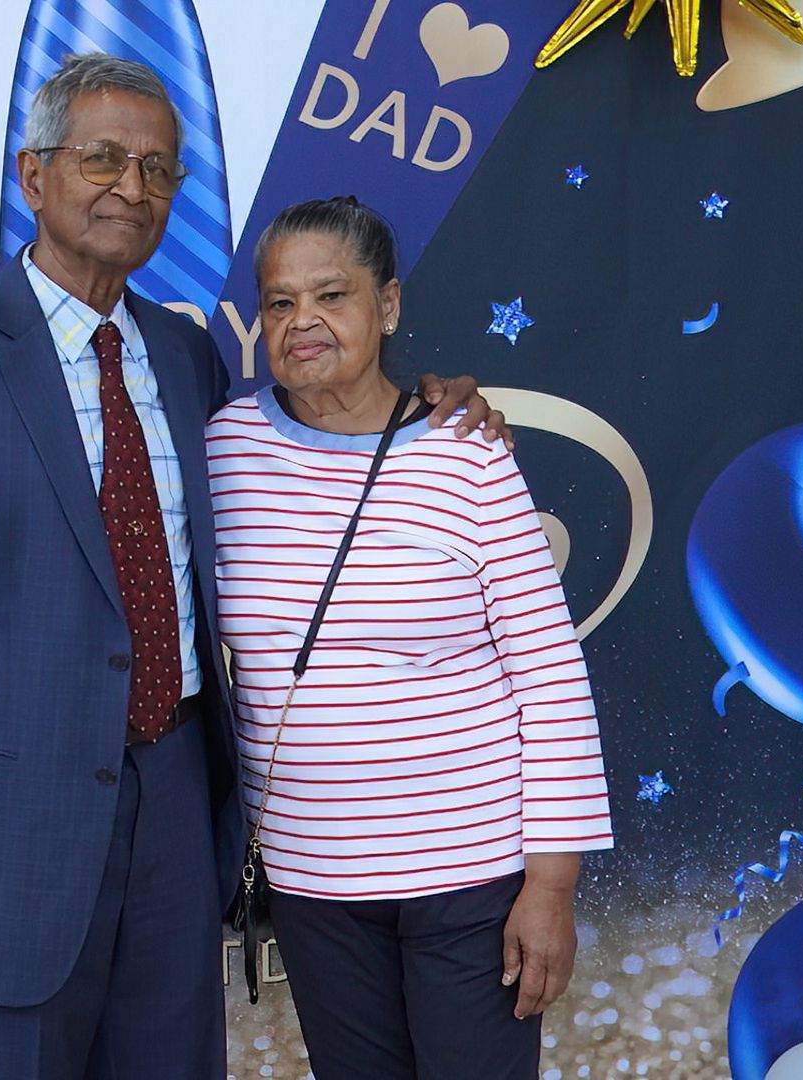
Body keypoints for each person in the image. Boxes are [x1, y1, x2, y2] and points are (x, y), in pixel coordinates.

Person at [0, 55, 509, 1080]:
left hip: (180, 817)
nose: (131, 188)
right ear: (33, 174)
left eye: (157, 170)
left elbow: (326, 435)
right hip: (1, 851)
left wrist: (435, 407)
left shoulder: (188, 360)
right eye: (102, 159)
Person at [206, 196, 614, 1079]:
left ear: (387, 305)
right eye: (279, 302)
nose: (303, 321)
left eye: (332, 296)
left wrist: (552, 884)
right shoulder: (223, 450)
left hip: (471, 876)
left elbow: (550, 675)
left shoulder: (467, 451)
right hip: (311, 881)